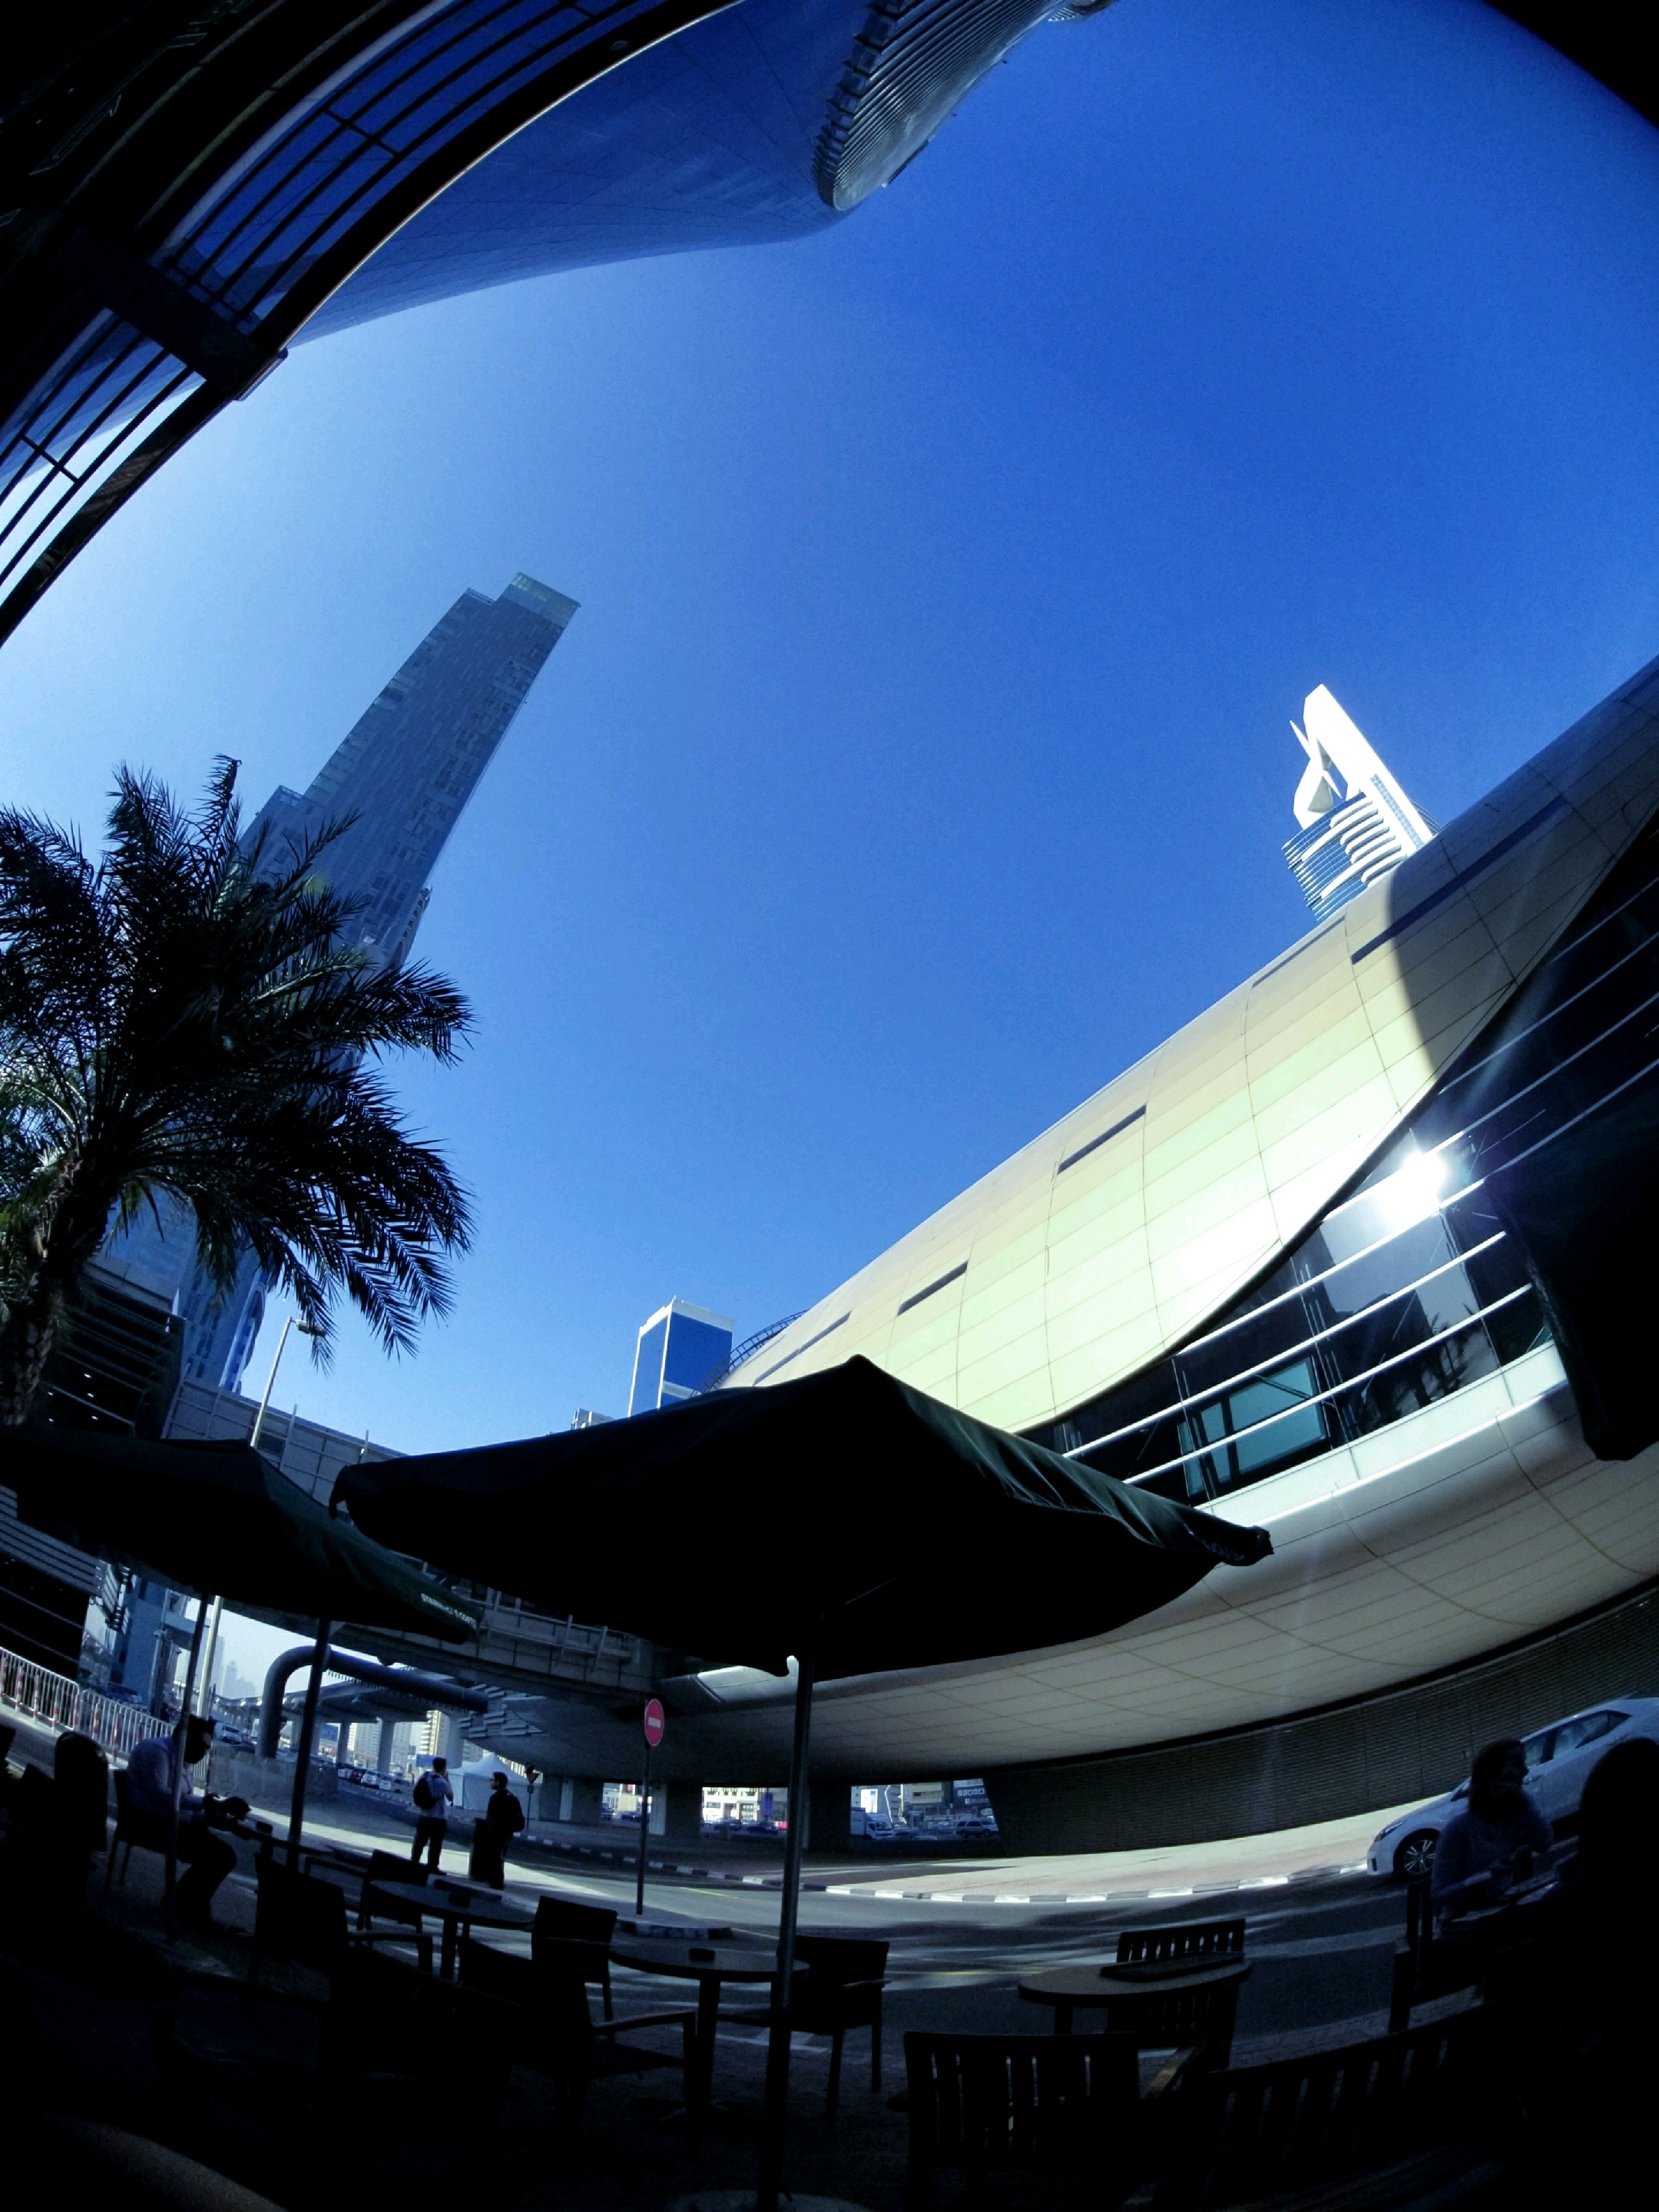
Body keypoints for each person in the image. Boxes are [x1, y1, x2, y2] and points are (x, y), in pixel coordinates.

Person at [124, 1715, 250, 1932]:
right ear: (186, 1739)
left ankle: (187, 1904)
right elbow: (162, 1796)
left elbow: (183, 1807)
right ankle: (184, 1905)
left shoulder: (180, 1760)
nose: (203, 1754)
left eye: (207, 1749)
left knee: (219, 1852)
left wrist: (219, 1818)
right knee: (221, 1856)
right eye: (201, 1747)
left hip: (165, 1823)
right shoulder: (157, 1752)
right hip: (149, 1824)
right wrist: (208, 1804)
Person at [1431, 1737, 1553, 1918]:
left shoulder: (1516, 1817)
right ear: (1491, 1776)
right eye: (1516, 1764)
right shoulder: (1458, 1830)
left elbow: (1544, 1843)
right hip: (1463, 1921)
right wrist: (1485, 1876)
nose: (1525, 1770)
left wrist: (1523, 1803)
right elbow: (1438, 1896)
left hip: (1503, 1911)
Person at [469, 1770, 525, 1888]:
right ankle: (497, 1880)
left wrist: (485, 1829)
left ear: (498, 1782)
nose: (490, 1782)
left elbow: (491, 1817)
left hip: (495, 1832)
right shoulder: (512, 1797)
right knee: (500, 1857)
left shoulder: (495, 1798)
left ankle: (494, 1881)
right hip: (507, 1833)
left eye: (492, 1780)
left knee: (493, 1857)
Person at [410, 1755, 452, 1869]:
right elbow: (451, 1797)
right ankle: (432, 1866)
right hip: (438, 1818)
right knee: (436, 1843)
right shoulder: (442, 1782)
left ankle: (414, 1861)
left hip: (423, 1815)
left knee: (419, 1841)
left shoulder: (424, 1777)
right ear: (443, 1768)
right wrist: (447, 1780)